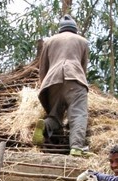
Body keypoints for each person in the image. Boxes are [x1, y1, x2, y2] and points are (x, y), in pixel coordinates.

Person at [34, 14, 92, 157]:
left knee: (55, 115)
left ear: (60, 29)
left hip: (52, 80)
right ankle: (76, 148)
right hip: (75, 77)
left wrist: (45, 85)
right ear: (75, 29)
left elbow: (43, 67)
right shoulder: (82, 41)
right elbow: (83, 66)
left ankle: (45, 125)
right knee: (78, 113)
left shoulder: (49, 41)